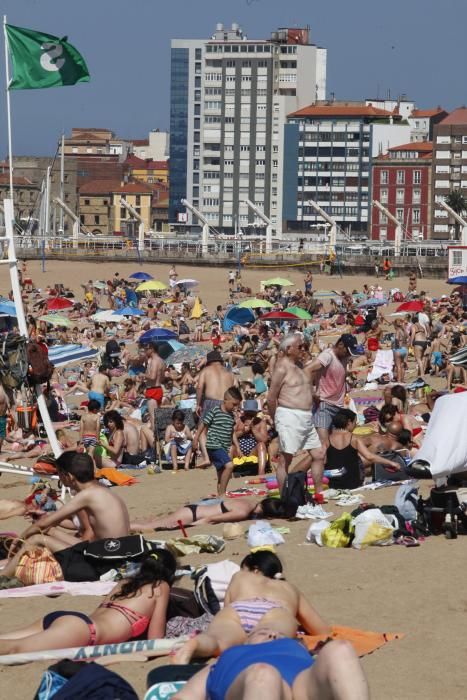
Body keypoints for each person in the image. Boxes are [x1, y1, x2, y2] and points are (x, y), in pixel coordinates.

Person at [0, 550, 176, 654]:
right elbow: (155, 639)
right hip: (82, 631)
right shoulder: (161, 587)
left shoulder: (124, 583)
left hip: (70, 620)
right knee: (14, 649)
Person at [173, 551, 330, 664]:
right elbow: (321, 630)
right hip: (274, 611)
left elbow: (228, 606)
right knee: (271, 636)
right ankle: (256, 652)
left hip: (236, 610)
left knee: (218, 641)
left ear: (254, 570)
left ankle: (194, 645)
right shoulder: (288, 587)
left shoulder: (239, 577)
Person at [0, 452, 131, 578]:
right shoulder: (102, 490)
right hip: (120, 554)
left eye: (60, 474)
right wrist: (44, 517)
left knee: (35, 539)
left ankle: (3, 574)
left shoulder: (87, 495)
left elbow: (44, 523)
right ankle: (9, 564)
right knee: (48, 531)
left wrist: (19, 540)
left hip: (105, 563)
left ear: (69, 476)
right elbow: (51, 522)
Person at [176, 637, 369, 700]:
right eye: (260, 632)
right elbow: (183, 697)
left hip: (301, 687)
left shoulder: (294, 647)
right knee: (264, 674)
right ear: (248, 639)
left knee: (339, 649)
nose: (270, 634)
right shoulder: (225, 658)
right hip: (253, 686)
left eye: (276, 634)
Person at [268, 334, 325, 497]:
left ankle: (319, 493)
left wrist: (314, 396)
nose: (303, 349)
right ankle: (284, 497)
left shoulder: (300, 366)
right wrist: (275, 420)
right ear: (288, 349)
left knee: (318, 454)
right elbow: (271, 397)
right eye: (300, 347)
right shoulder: (281, 368)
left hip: (306, 416)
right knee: (286, 459)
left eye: (304, 346)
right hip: (289, 415)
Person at [307, 334, 363, 447]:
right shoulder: (327, 356)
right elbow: (308, 369)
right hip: (325, 404)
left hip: (339, 406)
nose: (348, 354)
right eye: (347, 351)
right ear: (340, 344)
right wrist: (312, 393)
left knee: (339, 443)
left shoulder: (344, 357)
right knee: (324, 444)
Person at [327, 410, 401, 489]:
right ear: (349, 422)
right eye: (355, 422)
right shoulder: (354, 439)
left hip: (333, 484)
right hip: (352, 483)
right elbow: (369, 456)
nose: (356, 425)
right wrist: (391, 463)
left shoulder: (326, 440)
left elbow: (321, 459)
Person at [130, 496, 285, 531]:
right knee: (149, 527)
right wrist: (189, 527)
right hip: (192, 515)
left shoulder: (248, 502)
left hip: (196, 508)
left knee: (151, 523)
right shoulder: (243, 512)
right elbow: (211, 519)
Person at [193, 386, 242, 495]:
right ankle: (223, 493)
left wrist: (237, 447)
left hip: (223, 448)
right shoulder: (215, 411)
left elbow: (232, 432)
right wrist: (196, 439)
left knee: (221, 474)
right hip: (214, 446)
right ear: (225, 400)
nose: (235, 407)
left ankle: (220, 497)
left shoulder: (231, 416)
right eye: (234, 404)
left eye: (237, 405)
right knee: (229, 466)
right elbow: (203, 425)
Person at [196, 350, 235, 467]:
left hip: (211, 402)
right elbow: (235, 389)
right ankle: (225, 457)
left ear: (209, 361)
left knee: (202, 431)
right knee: (224, 431)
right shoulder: (229, 373)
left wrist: (198, 404)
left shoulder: (206, 370)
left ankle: (206, 458)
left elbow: (199, 386)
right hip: (226, 402)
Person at [143, 342, 166, 432]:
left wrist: (143, 374)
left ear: (151, 349)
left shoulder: (154, 361)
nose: (145, 351)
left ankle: (155, 442)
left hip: (152, 390)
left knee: (153, 418)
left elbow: (152, 377)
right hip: (159, 388)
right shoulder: (161, 361)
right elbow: (163, 378)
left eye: (146, 349)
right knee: (158, 417)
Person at [0, 383, 9, 453]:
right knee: (1, 435)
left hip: (2, 417)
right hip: (2, 416)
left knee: (1, 435)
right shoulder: (6, 394)